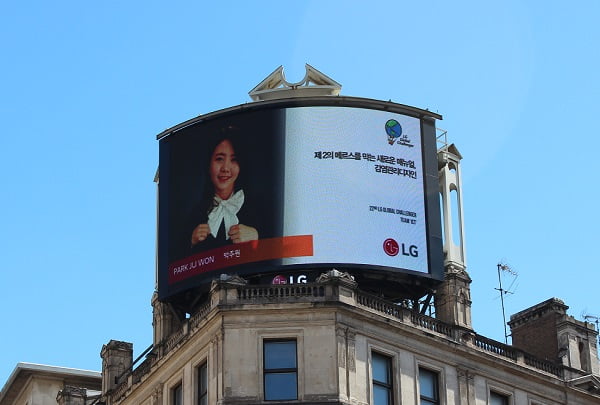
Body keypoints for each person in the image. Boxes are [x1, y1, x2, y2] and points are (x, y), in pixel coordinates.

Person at [189, 134, 258, 252]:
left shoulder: (259, 207)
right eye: (219, 159)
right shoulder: (196, 214)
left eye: (234, 160)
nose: (226, 168)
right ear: (208, 165)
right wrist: (191, 242)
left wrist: (257, 237)